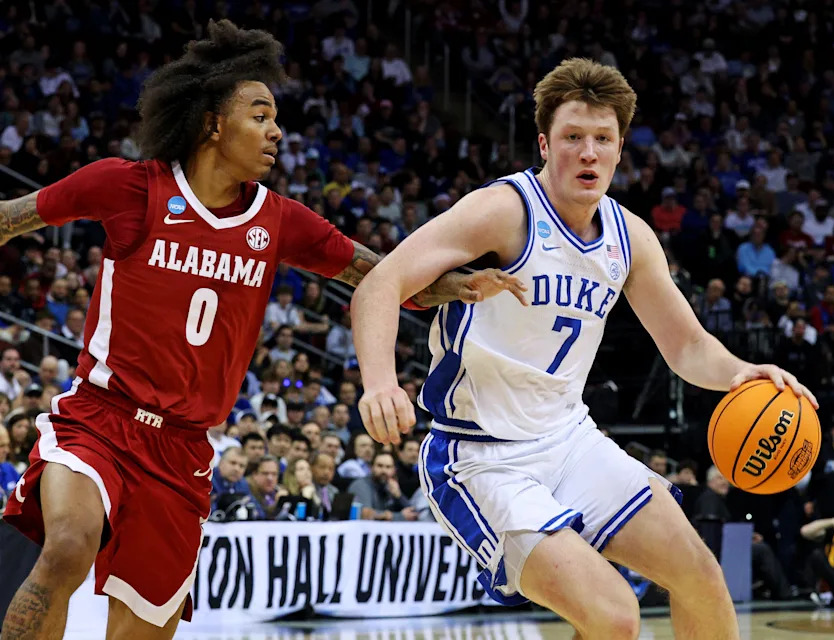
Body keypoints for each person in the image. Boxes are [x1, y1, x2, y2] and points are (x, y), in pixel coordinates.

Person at [0, 20, 522, 640]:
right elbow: (10, 217)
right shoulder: (129, 186)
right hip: (100, 417)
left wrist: (455, 285)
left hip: (184, 449)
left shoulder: (278, 220)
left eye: (276, 117)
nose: (277, 130)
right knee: (68, 544)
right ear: (213, 124)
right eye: (260, 114)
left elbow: (380, 277)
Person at [348, 58, 817, 639]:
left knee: (701, 576)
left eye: (602, 139)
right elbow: (380, 282)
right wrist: (379, 381)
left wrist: (746, 374)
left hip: (569, 440)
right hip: (482, 456)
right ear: (545, 144)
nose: (588, 153)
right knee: (614, 616)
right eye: (573, 138)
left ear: (621, 149)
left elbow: (688, 346)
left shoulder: (630, 238)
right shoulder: (504, 211)